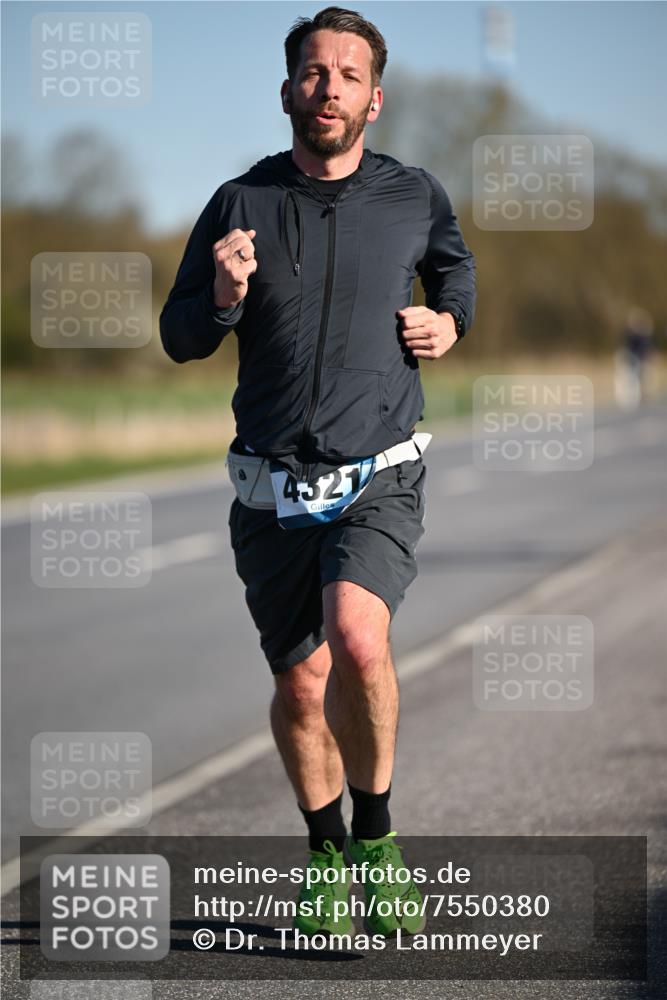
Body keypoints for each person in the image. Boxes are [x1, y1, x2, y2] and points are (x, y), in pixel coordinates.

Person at [160, 5, 476, 938]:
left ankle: (375, 837)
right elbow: (180, 336)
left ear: (373, 100)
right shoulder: (238, 202)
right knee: (301, 684)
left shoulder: (413, 195)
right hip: (268, 486)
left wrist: (449, 322)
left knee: (360, 638)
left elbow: (455, 275)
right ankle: (324, 851)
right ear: (287, 90)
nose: (327, 86)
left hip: (378, 468)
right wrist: (219, 296)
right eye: (312, 71)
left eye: (346, 74)